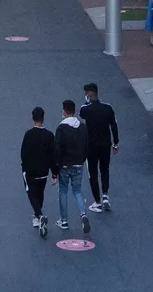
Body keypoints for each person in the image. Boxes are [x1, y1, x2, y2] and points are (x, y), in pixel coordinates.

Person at [80, 83, 119, 212]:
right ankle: (105, 195)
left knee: (92, 173)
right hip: (105, 144)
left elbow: (82, 112)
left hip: (91, 146)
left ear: (90, 94)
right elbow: (113, 126)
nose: (85, 95)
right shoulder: (108, 108)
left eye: (86, 93)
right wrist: (116, 142)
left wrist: (87, 103)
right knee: (105, 169)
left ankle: (97, 201)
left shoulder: (85, 109)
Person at [53, 99, 91, 233]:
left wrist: (57, 165)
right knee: (78, 191)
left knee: (63, 191)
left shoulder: (61, 128)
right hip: (78, 164)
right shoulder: (82, 127)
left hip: (64, 165)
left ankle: (64, 221)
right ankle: (83, 214)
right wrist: (82, 159)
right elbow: (87, 145)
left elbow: (57, 148)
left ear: (64, 111)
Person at [19, 106, 56, 238]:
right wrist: (54, 173)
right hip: (44, 171)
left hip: (31, 171)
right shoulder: (49, 135)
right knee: (40, 193)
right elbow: (53, 156)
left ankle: (39, 215)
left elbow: (23, 154)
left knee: (31, 193)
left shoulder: (28, 135)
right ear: (43, 118)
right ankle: (36, 216)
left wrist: (25, 167)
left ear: (33, 118)